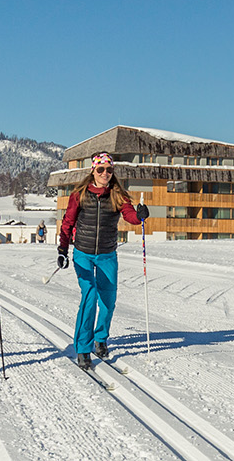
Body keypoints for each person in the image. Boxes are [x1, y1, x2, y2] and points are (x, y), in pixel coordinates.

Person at [56, 152, 147, 369]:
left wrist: (141, 215)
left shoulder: (118, 195)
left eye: (109, 169)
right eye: (100, 169)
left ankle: (100, 338)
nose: (105, 173)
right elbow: (68, 222)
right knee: (89, 296)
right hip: (83, 254)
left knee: (107, 300)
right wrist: (62, 248)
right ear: (93, 171)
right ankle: (83, 348)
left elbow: (130, 217)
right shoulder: (79, 194)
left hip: (107, 254)